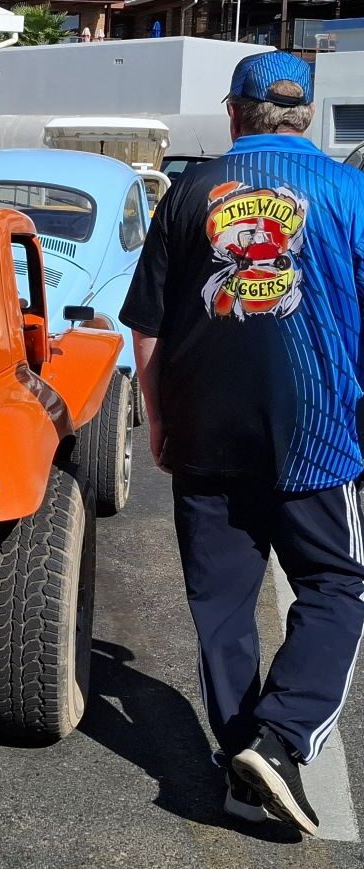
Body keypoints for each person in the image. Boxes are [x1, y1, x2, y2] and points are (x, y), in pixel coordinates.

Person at [120, 52, 364, 836]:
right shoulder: (350, 192)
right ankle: (282, 738)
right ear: (305, 117)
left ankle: (241, 764)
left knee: (222, 607)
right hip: (319, 435)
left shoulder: (188, 192)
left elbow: (147, 323)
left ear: (235, 115)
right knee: (336, 585)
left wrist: (156, 419)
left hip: (204, 433)